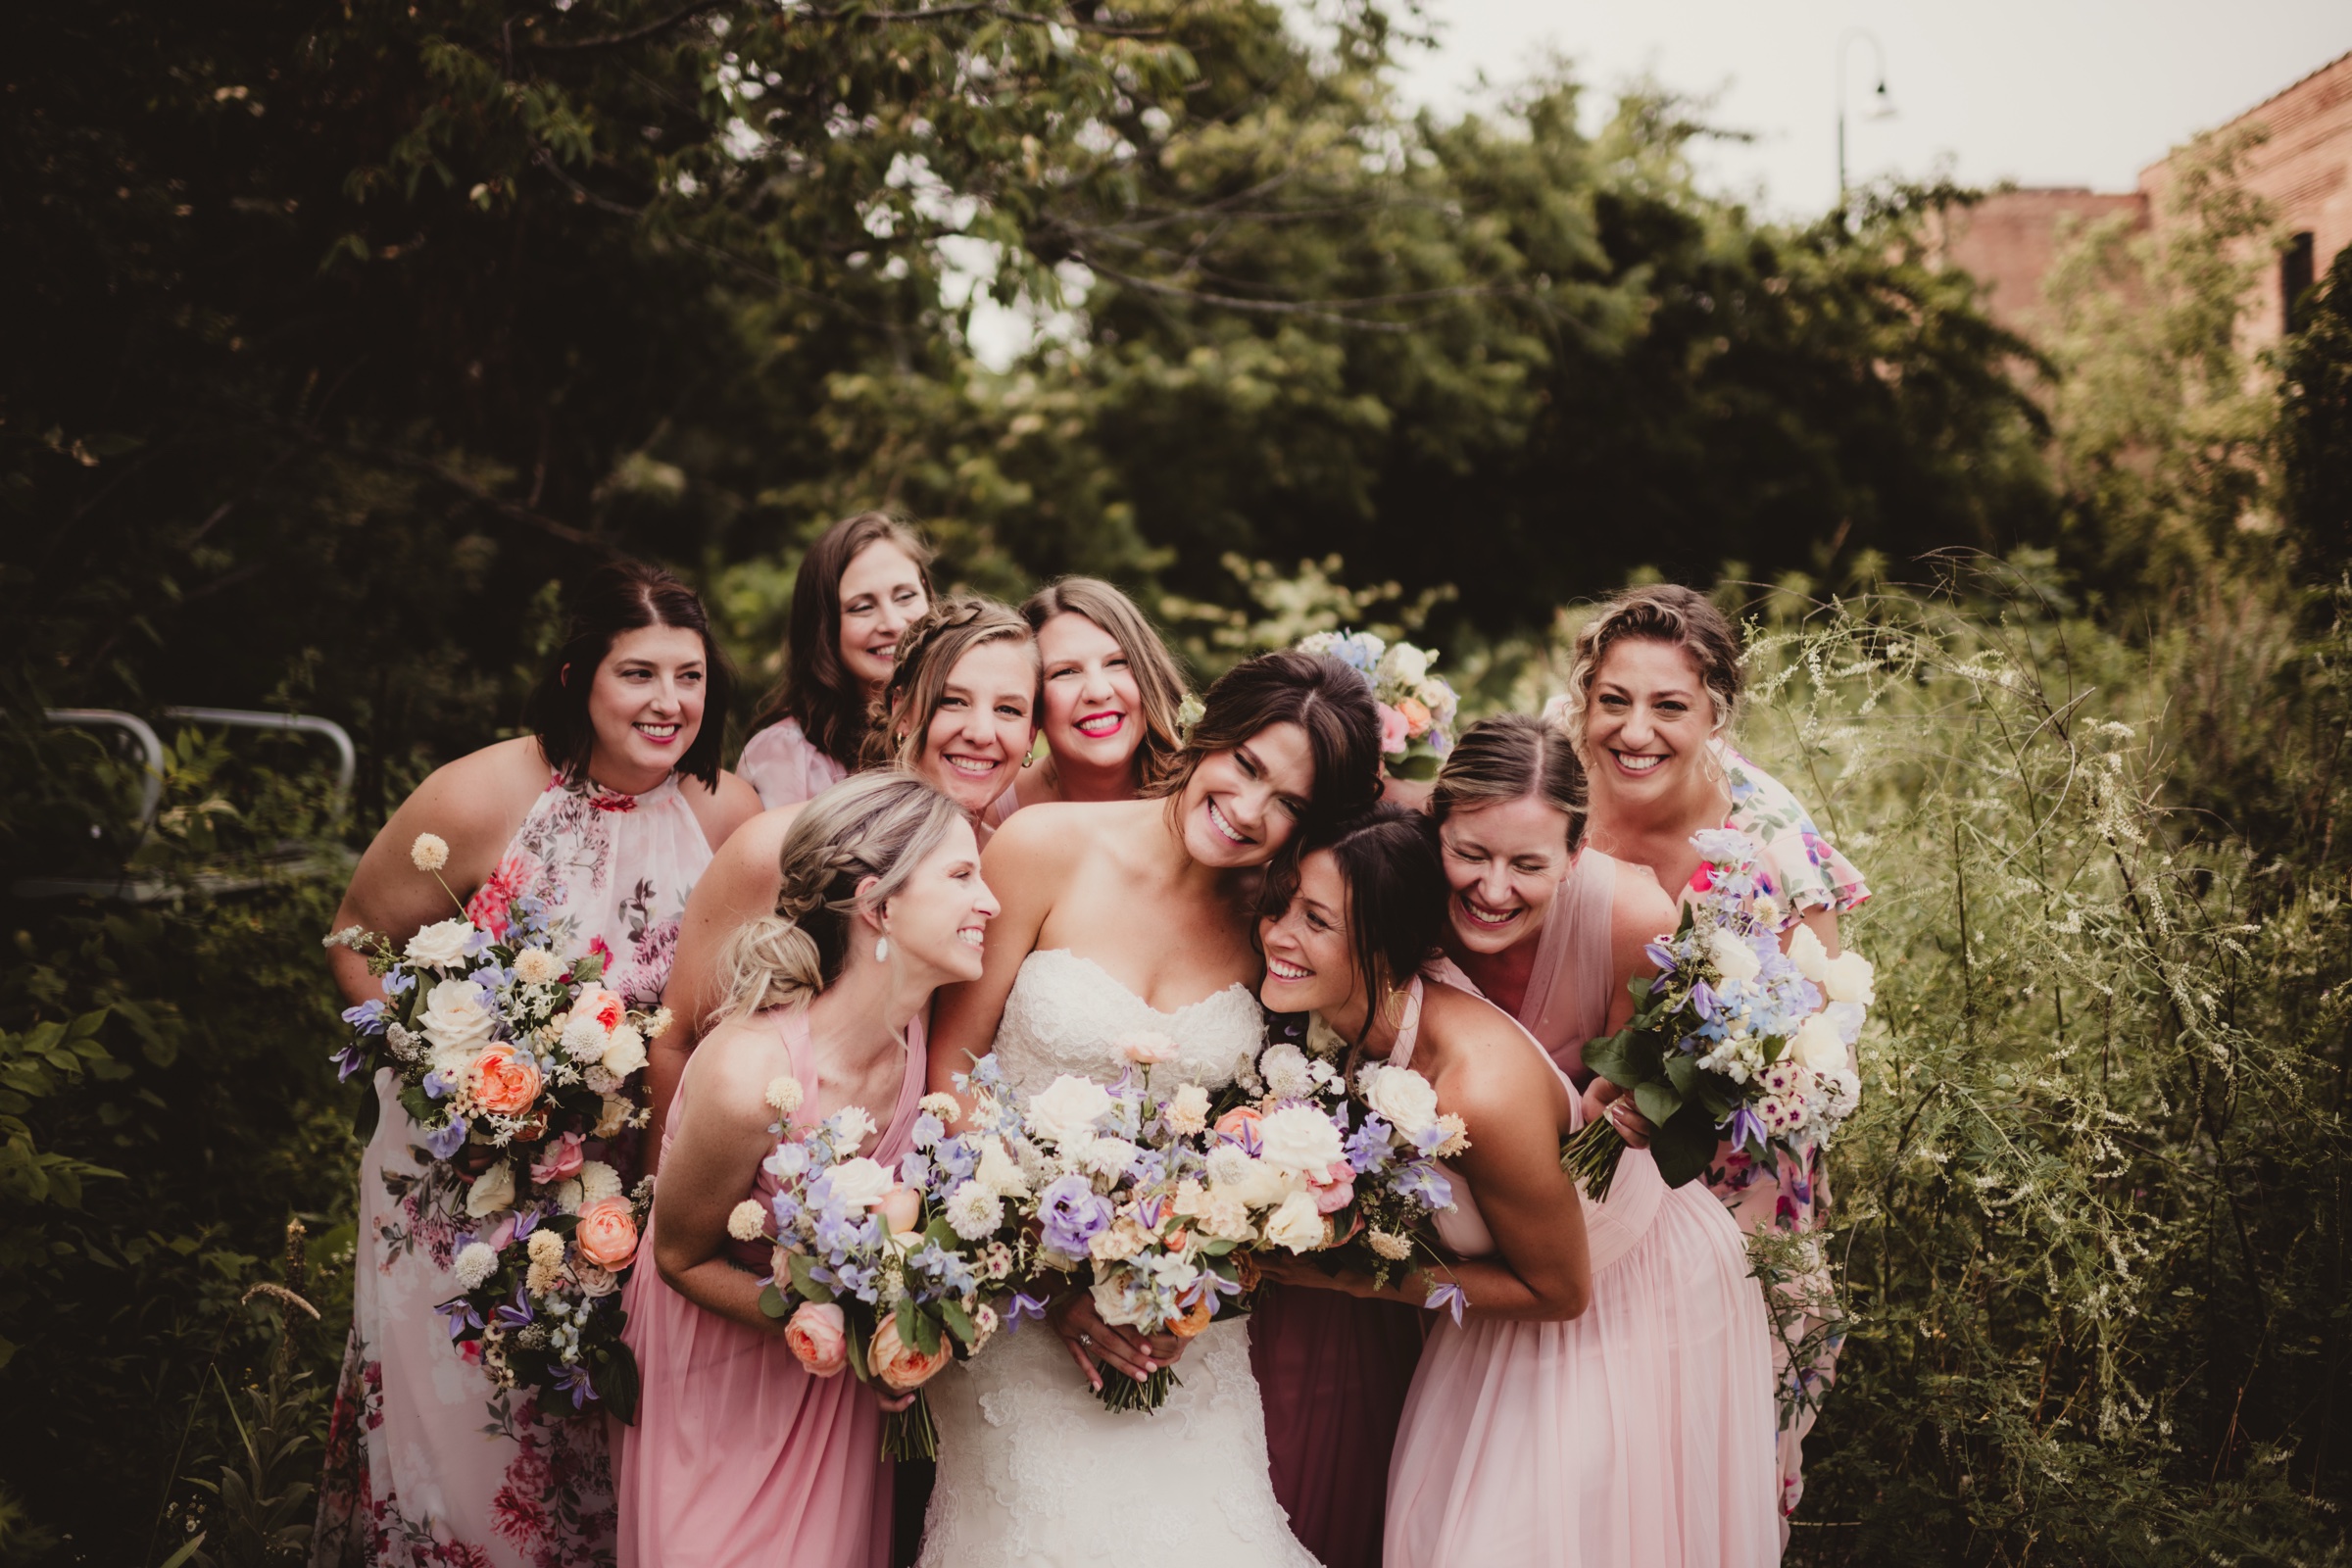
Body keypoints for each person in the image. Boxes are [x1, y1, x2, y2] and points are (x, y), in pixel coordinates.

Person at [313, 561, 761, 1568]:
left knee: (604, 1451)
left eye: (688, 676)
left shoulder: (730, 811)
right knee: (470, 1453)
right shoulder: (479, 794)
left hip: (632, 1192)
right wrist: (460, 1076)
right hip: (464, 1190)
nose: (669, 702)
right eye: (637, 673)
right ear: (576, 677)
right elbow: (356, 941)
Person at [911, 650, 1383, 1568]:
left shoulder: (1275, 929)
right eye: (1246, 765)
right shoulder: (1045, 845)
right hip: (1017, 1308)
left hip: (1177, 1334)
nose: (1250, 810)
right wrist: (1046, 1286)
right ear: (1208, 735)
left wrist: (1172, 1274)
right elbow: (953, 1074)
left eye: (1287, 801)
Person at [1255, 807, 1777, 1568]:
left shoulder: (1477, 1092)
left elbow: (1559, 1292)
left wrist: (1350, 1277)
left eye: (1316, 921)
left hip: (1621, 1299)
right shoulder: (1355, 1016)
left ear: (1384, 945)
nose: (1277, 933)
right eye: (1280, 904)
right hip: (1506, 1311)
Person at [612, 771, 999, 1568]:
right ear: (879, 906)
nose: (990, 902)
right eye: (962, 877)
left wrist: (887, 1331)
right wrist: (839, 1322)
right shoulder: (749, 1071)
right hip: (720, 1393)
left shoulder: (918, 1043)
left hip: (834, 1405)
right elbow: (677, 1256)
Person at [1551, 582, 1870, 1521]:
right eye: (1613, 700)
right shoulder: (1555, 789)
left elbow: (1824, 1024)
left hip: (1726, 1172)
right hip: (1562, 1134)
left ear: (1717, 712)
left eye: (1669, 706)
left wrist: (1714, 1076)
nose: (1634, 730)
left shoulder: (1765, 838)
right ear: (1583, 697)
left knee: (1700, 1444)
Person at [644, 598, 1036, 1161]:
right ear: (901, 709)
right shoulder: (776, 849)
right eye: (952, 701)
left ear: (1031, 735)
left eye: (1009, 710)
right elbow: (677, 1041)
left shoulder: (1001, 881)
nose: (981, 732)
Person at [736, 513, 934, 809]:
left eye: (905, 596)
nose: (893, 623)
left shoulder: (969, 727)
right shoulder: (785, 756)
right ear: (823, 628)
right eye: (862, 607)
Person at [996, 576, 1191, 810]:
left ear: (1149, 675)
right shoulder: (989, 811)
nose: (1098, 692)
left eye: (1116, 662)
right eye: (1065, 672)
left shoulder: (1201, 801)